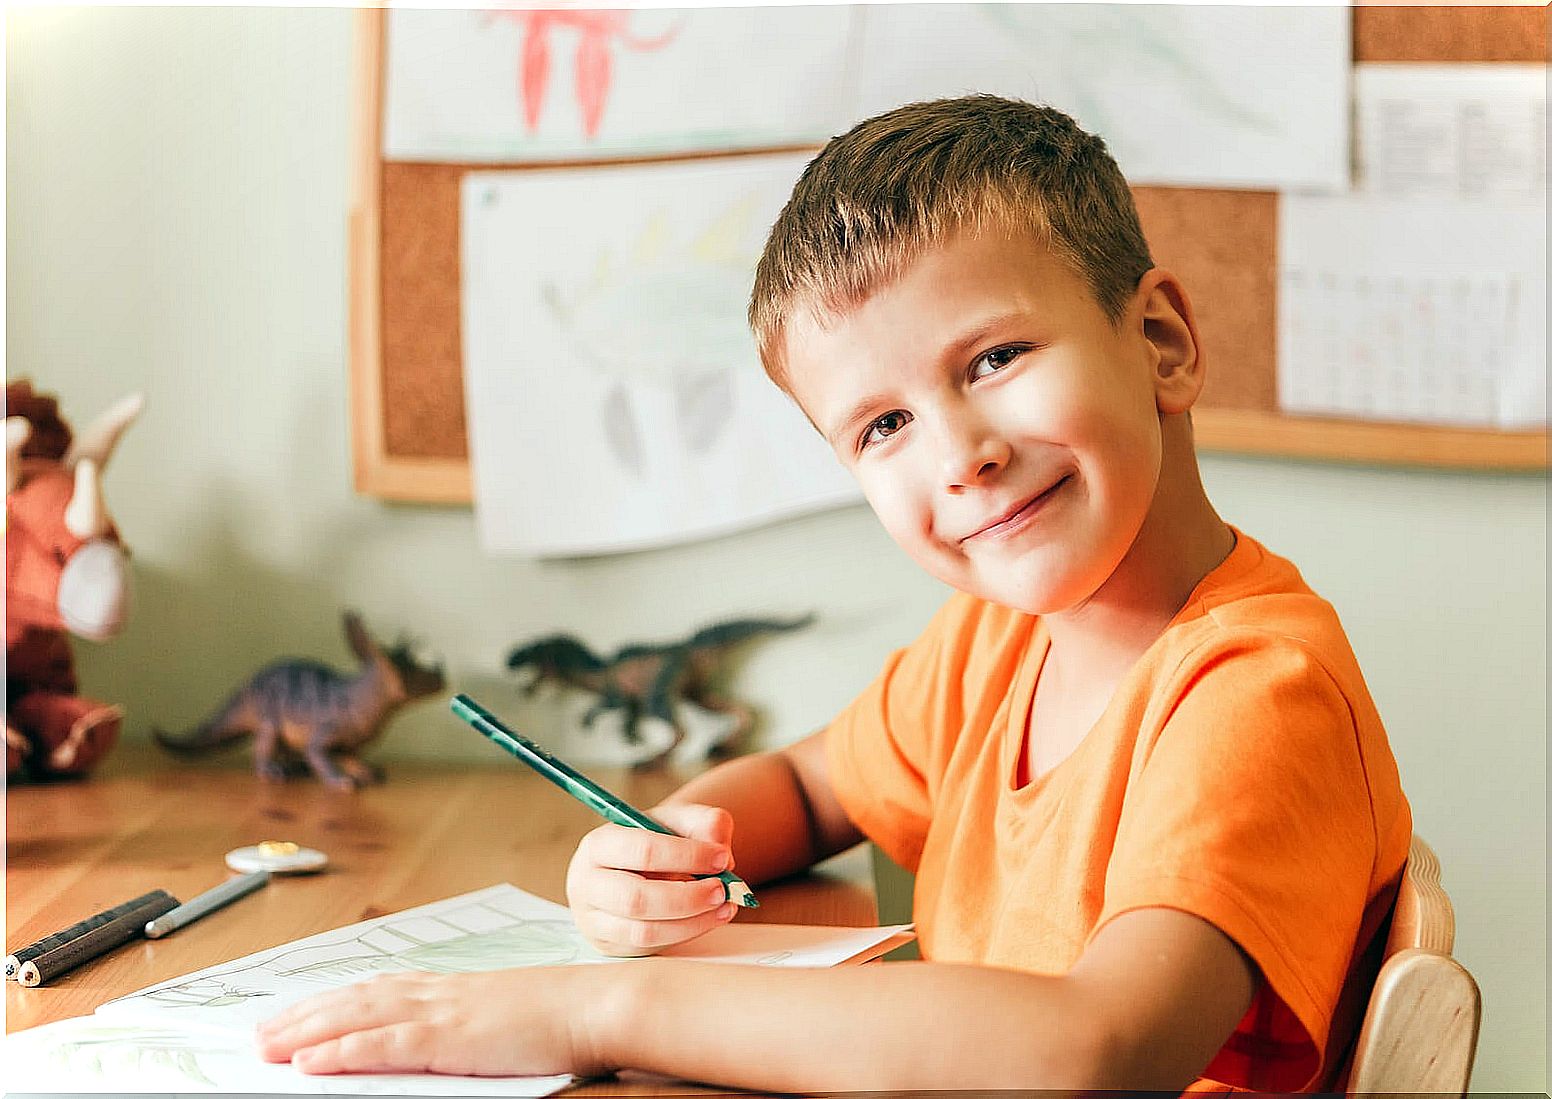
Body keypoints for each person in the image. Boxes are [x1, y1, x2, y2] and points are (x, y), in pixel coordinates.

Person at [258, 95, 1411, 1093]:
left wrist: (592, 1010)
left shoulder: (1257, 691)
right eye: (885, 424)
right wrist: (665, 850)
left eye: (995, 358)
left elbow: (1095, 1049)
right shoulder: (998, 642)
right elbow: (810, 789)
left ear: (1160, 342)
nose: (958, 453)